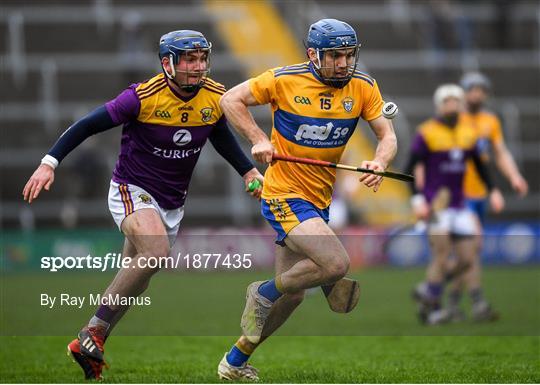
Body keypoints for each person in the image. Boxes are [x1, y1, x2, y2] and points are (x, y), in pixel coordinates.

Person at [22, 30, 263, 380]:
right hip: (131, 190)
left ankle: (93, 343)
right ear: (167, 63)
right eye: (189, 60)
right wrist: (49, 162)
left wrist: (247, 171)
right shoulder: (141, 97)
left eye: (201, 59)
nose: (198, 67)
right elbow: (87, 125)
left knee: (137, 275)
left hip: (171, 203)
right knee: (156, 253)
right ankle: (90, 331)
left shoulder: (215, 96)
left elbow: (219, 134)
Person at [216, 19, 397, 380]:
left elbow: (386, 134)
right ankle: (262, 291)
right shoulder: (283, 79)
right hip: (283, 192)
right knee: (335, 264)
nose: (344, 63)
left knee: (294, 295)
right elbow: (229, 99)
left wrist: (379, 161)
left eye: (349, 55)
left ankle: (234, 361)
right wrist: (258, 138)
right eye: (335, 56)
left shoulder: (363, 86)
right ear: (313, 55)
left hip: (320, 197)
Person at [442, 72, 528, 322]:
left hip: (480, 193)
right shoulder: (453, 120)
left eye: (481, 90)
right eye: (472, 89)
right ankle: (472, 300)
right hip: (459, 195)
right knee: (473, 246)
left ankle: (448, 300)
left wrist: (514, 177)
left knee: (467, 254)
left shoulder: (490, 121)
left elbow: (500, 153)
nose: (476, 94)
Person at [408, 84, 497, 325]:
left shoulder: (469, 133)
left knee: (468, 259)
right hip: (436, 206)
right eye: (447, 101)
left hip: (459, 206)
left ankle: (428, 290)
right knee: (442, 255)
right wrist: (418, 200)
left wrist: (494, 190)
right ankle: (433, 309)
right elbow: (410, 168)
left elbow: (480, 166)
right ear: (439, 105)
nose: (452, 105)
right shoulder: (426, 132)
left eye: (456, 101)